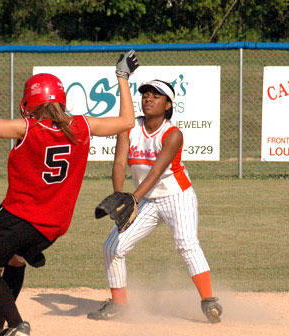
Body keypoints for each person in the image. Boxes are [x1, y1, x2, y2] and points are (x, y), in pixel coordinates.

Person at [0, 51, 139, 336]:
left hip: (17, 216)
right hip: (55, 225)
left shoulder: (27, 129)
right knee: (16, 261)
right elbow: (127, 120)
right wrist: (122, 77)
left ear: (29, 104)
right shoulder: (83, 126)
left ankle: (18, 325)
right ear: (61, 100)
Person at [87, 79, 223, 323]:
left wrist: (132, 199)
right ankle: (119, 304)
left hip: (176, 195)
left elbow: (156, 172)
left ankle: (208, 301)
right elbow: (119, 163)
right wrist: (120, 196)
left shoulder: (173, 134)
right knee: (112, 247)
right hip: (146, 199)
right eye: (146, 94)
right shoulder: (129, 128)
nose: (148, 98)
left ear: (168, 104)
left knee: (186, 244)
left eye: (156, 95)